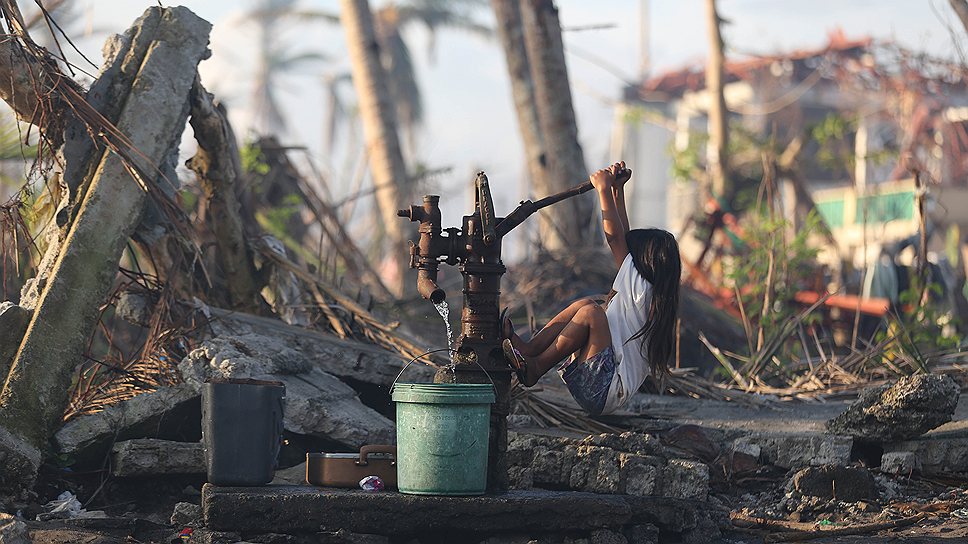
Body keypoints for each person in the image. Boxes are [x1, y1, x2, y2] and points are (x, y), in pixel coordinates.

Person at [502, 161, 681, 415]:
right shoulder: (649, 289)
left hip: (604, 388)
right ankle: (529, 349)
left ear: (646, 263)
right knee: (586, 305)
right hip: (603, 386)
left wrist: (603, 190)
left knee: (592, 314)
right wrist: (618, 191)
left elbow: (616, 238)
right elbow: (623, 238)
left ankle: (536, 367)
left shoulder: (641, 289)